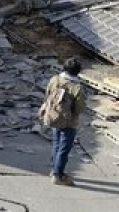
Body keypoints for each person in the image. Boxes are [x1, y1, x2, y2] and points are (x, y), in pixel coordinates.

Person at [44, 57, 86, 186]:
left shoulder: (54, 80)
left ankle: (54, 169)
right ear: (77, 72)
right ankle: (58, 175)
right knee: (64, 148)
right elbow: (80, 108)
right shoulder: (77, 88)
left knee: (56, 144)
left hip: (54, 116)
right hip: (68, 121)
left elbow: (47, 95)